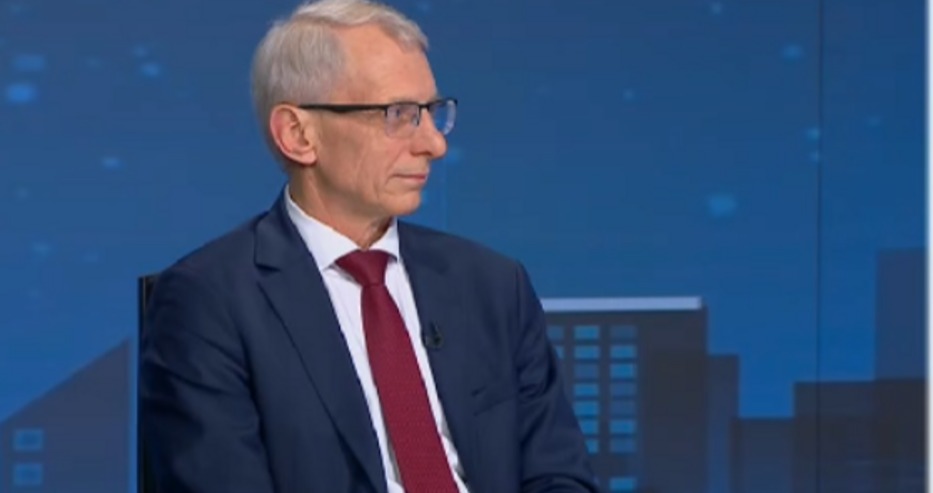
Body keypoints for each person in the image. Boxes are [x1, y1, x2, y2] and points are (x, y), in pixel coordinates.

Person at [138, 0, 599, 492]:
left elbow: (559, 477)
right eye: (399, 115)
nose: (434, 144)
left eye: (432, 113)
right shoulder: (209, 302)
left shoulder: (492, 286)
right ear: (298, 134)